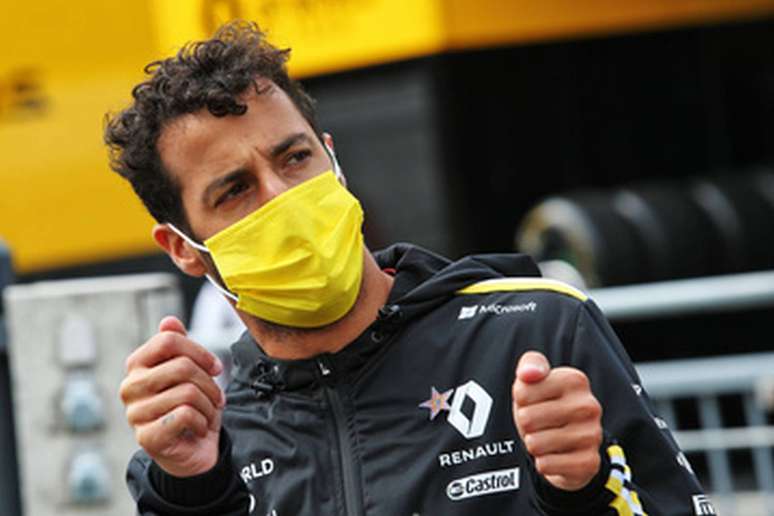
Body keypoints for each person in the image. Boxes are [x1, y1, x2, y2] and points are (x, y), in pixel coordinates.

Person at [106, 21, 709, 516]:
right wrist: (193, 493)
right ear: (182, 247)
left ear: (333, 159)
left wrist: (581, 491)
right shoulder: (203, 443)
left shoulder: (536, 329)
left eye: (295, 158)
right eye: (235, 190)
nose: (282, 195)